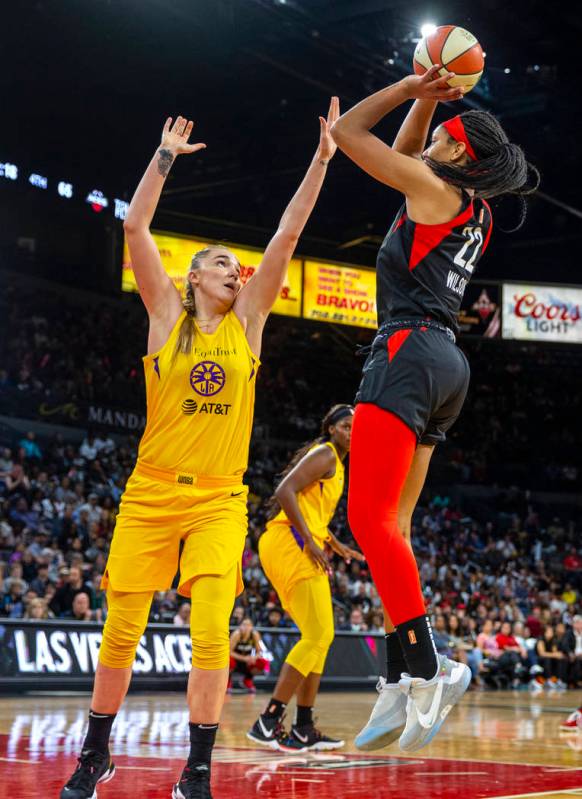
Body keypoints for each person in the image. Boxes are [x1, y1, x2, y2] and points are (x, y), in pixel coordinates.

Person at [60, 99, 340, 799]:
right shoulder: (164, 314)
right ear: (192, 276)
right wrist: (162, 158)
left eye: (235, 265)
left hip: (219, 497)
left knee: (212, 629)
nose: (234, 269)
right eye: (220, 262)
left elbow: (288, 232)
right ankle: (96, 755)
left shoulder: (248, 324)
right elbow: (134, 224)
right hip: (152, 488)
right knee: (120, 631)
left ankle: (198, 772)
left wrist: (322, 160)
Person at [331, 66, 538, 752]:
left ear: (456, 153)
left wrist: (404, 85)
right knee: (396, 526)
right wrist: (425, 104)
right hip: (447, 363)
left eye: (441, 136)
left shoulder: (432, 187)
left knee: (366, 519)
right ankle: (397, 676)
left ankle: (427, 664)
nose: (429, 142)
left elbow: (348, 133)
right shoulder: (464, 201)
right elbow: (406, 148)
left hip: (408, 354)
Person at [248, 405, 363, 752]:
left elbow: (312, 513)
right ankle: (268, 721)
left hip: (294, 543)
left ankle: (302, 727)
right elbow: (285, 491)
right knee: (317, 634)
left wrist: (332, 541)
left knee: (320, 637)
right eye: (345, 426)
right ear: (330, 429)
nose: (351, 433)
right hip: (288, 543)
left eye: (356, 428)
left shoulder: (337, 464)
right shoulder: (326, 453)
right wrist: (312, 541)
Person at [228, 617, 268, 693]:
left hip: (248, 662)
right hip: (236, 660)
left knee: (262, 662)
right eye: (244, 624)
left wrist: (254, 658)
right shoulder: (236, 634)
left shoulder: (254, 634)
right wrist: (243, 658)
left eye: (248, 625)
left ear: (252, 627)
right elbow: (228, 651)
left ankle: (247, 679)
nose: (246, 627)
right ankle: (228, 681)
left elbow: (260, 652)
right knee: (228, 660)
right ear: (240, 626)